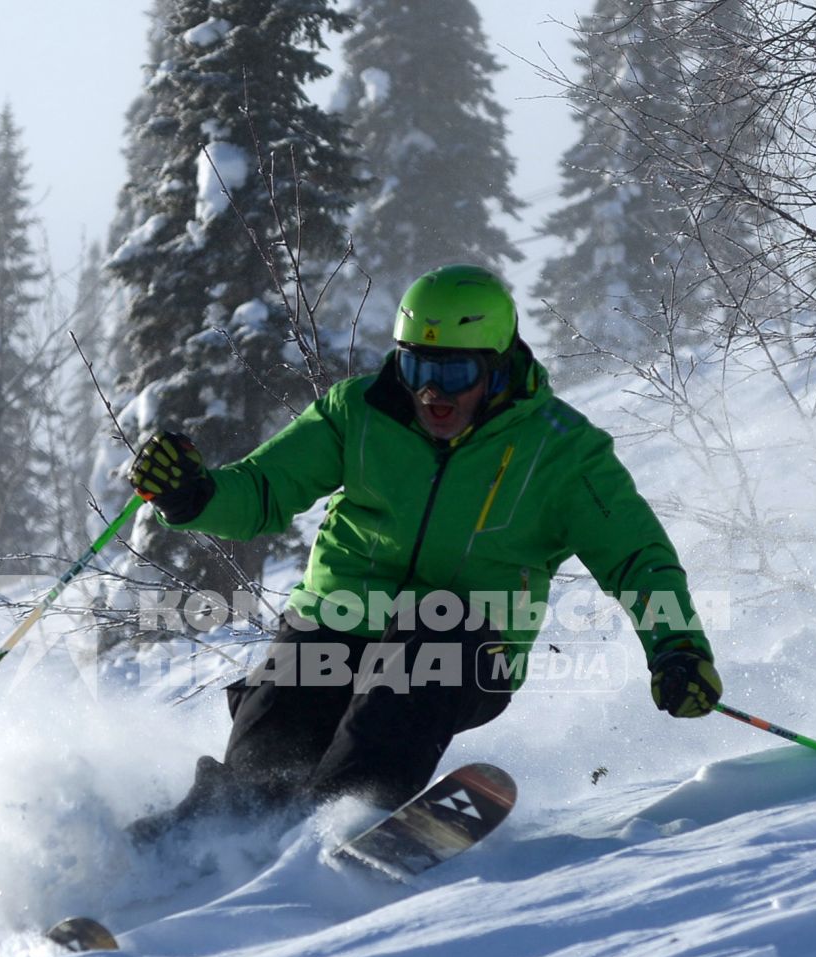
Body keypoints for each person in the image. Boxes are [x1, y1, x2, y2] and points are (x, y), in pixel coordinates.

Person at [126, 264, 719, 840]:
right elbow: (262, 490)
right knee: (278, 734)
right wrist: (192, 495)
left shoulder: (563, 454)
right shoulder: (357, 413)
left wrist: (678, 647)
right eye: (415, 367)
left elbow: (636, 557)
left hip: (464, 645)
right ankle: (212, 843)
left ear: (498, 366)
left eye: (455, 373)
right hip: (336, 626)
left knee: (426, 642)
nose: (432, 392)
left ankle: (335, 824)